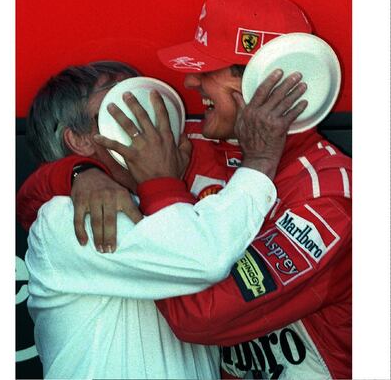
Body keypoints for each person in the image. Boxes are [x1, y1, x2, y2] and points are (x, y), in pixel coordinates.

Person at [17, 0, 352, 379]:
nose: (190, 81)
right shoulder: (193, 145)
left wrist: (165, 182)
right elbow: (34, 202)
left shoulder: (330, 196)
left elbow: (199, 314)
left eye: (207, 68)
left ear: (266, 81)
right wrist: (78, 174)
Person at [21, 60, 306, 379]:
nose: (145, 108)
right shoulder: (67, 216)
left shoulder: (164, 202)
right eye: (120, 98)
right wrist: (261, 160)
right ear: (80, 140)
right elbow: (202, 258)